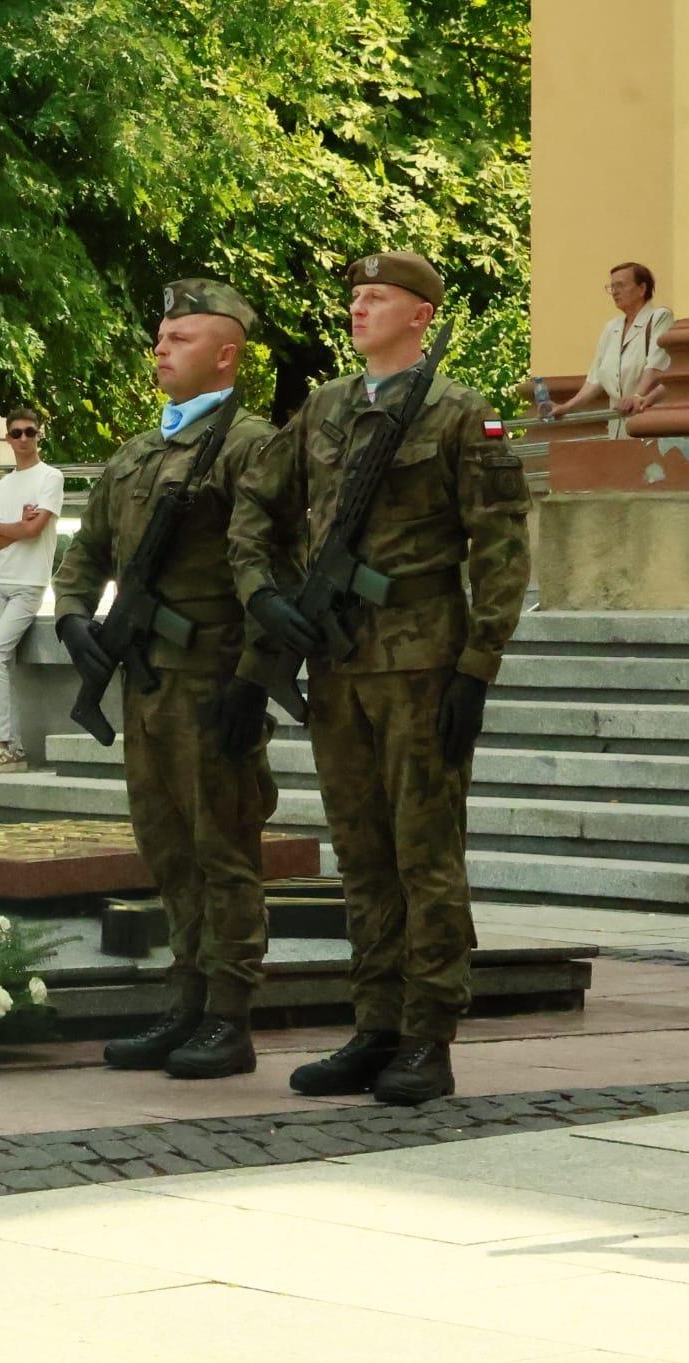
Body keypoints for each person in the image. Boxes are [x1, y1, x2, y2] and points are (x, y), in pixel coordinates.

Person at [231, 252, 532, 1104]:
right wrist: (265, 596)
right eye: (354, 297)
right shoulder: (324, 408)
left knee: (425, 856)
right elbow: (257, 505)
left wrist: (478, 666)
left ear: (421, 316)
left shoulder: (462, 415)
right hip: (336, 661)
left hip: (423, 663)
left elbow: (502, 552)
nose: (358, 308)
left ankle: (428, 1034)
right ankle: (376, 1024)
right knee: (360, 854)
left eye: (377, 298)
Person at [54, 280, 281, 1080]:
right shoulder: (138, 453)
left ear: (226, 354)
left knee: (224, 848)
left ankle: (230, 1012)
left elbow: (271, 569)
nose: (161, 348)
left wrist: (253, 680)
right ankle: (184, 998)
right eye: (160, 334)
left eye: (180, 337)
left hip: (212, 681)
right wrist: (73, 615)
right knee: (167, 849)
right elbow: (84, 553)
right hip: (147, 684)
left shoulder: (254, 445)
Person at [0, 410, 64, 774]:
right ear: (7, 439)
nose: (23, 439)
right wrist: (8, 526)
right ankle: (14, 748)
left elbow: (34, 532)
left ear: (39, 436)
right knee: (1, 662)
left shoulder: (50, 478)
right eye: (16, 433)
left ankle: (0, 743)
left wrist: (2, 530)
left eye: (30, 432)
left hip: (28, 583)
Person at [547, 261, 673, 435]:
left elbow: (655, 365)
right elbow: (595, 379)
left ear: (642, 289)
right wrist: (565, 408)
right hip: (618, 426)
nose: (615, 292)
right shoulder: (611, 328)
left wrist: (637, 397)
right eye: (611, 287)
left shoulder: (659, 317)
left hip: (647, 422)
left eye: (620, 286)